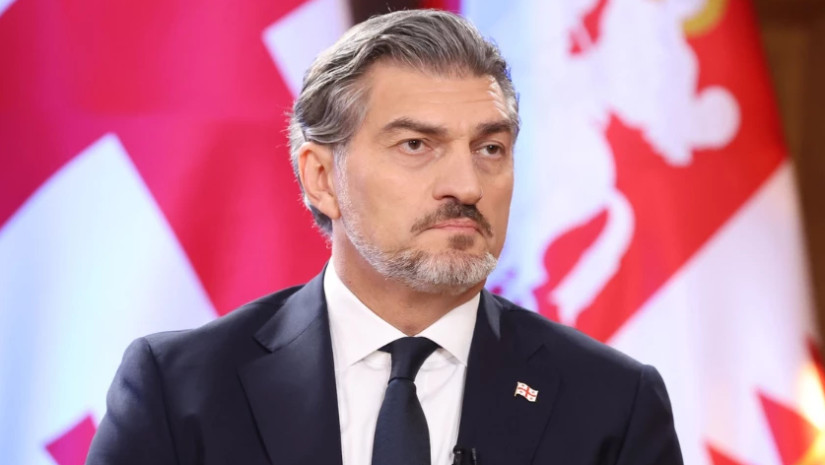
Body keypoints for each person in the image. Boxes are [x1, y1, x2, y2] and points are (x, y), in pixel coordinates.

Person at [87, 9, 683, 465]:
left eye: (489, 148)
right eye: (416, 145)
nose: (466, 185)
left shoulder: (613, 403)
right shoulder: (180, 389)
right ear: (322, 178)